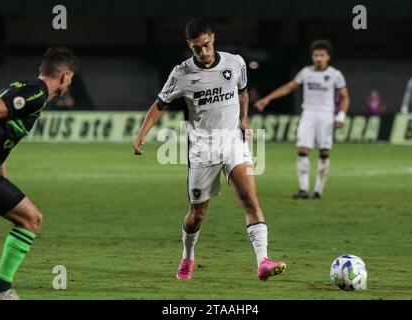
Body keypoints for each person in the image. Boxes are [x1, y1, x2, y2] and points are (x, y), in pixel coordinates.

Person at [133, 18, 286, 281]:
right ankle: (187, 256)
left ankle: (263, 261)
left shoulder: (235, 63)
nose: (203, 52)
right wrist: (141, 135)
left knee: (250, 200)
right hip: (202, 150)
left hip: (232, 143)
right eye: (196, 48)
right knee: (197, 214)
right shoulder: (181, 73)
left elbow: (243, 92)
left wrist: (244, 119)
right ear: (189, 46)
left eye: (205, 45)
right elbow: (160, 104)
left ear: (213, 38)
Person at [0, 47, 79, 300]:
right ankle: (1, 289)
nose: (70, 82)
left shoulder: (24, 87)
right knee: (31, 219)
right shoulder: (36, 94)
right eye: (71, 78)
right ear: (65, 76)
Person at [254, 39, 350, 200]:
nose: (318, 58)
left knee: (324, 152)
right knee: (302, 150)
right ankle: (304, 189)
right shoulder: (306, 72)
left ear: (328, 57)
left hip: (326, 114)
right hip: (308, 114)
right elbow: (289, 87)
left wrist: (341, 115)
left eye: (322, 55)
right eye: (316, 55)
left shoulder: (335, 75)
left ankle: (318, 191)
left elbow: (344, 97)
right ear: (312, 57)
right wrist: (267, 99)